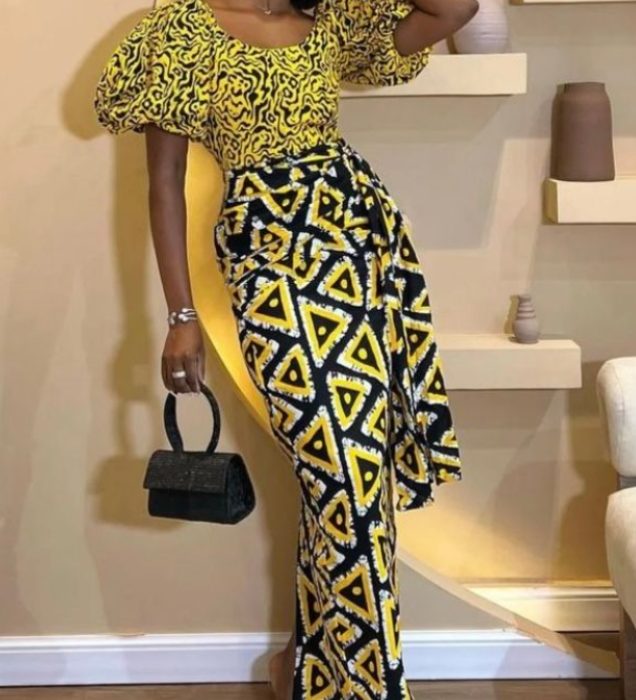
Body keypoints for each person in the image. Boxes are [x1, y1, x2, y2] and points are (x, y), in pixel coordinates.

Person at [94, 0, 476, 696]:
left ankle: (311, 667)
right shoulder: (179, 31)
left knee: (355, 479)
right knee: (342, 474)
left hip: (357, 247)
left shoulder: (331, 14)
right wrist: (181, 315)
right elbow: (163, 185)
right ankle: (367, 684)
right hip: (268, 259)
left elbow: (456, 9)